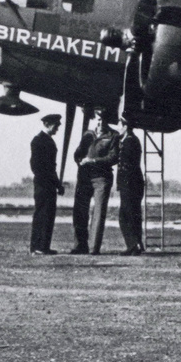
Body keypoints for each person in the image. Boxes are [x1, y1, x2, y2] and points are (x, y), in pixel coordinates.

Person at [70, 109, 120, 254]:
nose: (100, 122)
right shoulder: (87, 135)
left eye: (103, 120)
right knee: (80, 211)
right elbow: (78, 153)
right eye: (98, 119)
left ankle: (93, 248)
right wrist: (80, 161)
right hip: (84, 178)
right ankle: (79, 246)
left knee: (98, 213)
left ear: (107, 121)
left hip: (101, 179)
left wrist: (93, 161)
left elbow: (113, 157)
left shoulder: (113, 136)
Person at [29, 114, 63, 255]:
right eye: (56, 125)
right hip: (44, 184)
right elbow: (37, 165)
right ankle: (38, 246)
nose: (57, 128)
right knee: (42, 214)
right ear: (47, 124)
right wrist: (55, 182)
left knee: (48, 214)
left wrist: (56, 183)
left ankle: (43, 246)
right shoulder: (38, 141)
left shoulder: (45, 140)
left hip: (47, 183)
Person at [117, 124, 144, 255]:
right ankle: (137, 244)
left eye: (119, 125)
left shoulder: (129, 141)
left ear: (125, 126)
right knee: (134, 214)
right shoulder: (133, 140)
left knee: (125, 216)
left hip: (129, 183)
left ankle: (133, 245)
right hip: (134, 182)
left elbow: (126, 164)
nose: (118, 128)